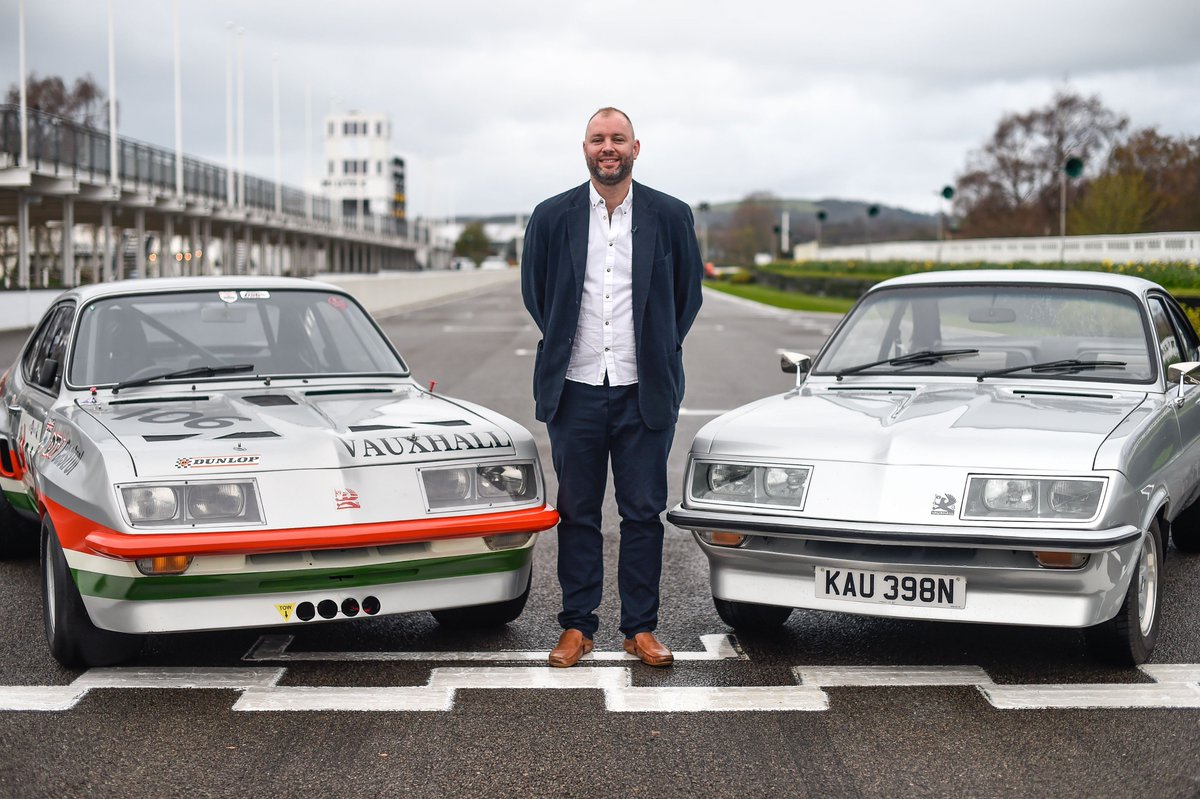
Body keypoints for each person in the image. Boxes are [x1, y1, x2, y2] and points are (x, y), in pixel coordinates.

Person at [521, 107, 704, 668]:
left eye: (617, 139)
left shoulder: (669, 215)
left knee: (643, 513)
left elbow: (686, 297)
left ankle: (640, 628)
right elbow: (537, 293)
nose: (608, 147)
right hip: (574, 387)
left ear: (635, 148)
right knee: (577, 513)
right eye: (598, 139)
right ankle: (577, 626)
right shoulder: (553, 216)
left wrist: (656, 349)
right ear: (584, 149)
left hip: (642, 387)